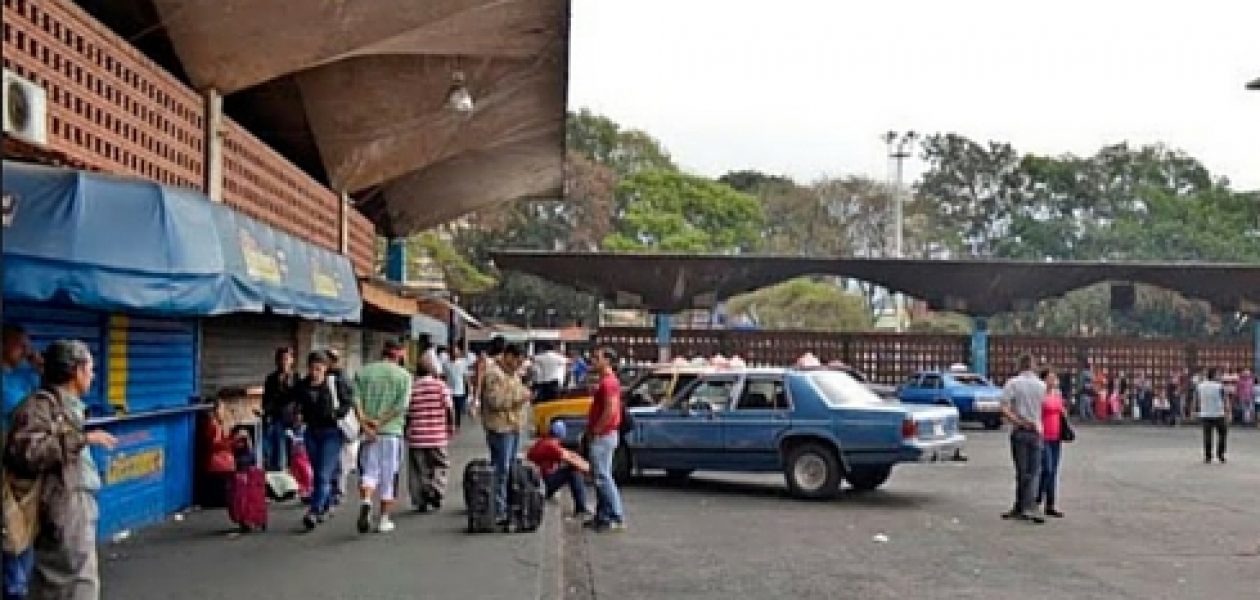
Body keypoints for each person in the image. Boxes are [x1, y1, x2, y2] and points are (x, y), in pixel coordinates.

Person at [5, 340, 118, 600]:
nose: (92, 374)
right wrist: (82, 439)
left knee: (77, 580)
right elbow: (27, 453)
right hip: (61, 507)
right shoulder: (39, 407)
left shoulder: (66, 406)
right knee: (69, 583)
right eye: (90, 368)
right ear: (76, 371)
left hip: (75, 504)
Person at [353, 341, 413, 534]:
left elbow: (356, 401)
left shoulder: (363, 372)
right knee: (389, 477)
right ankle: (384, 519)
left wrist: (365, 424)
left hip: (368, 434)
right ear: (399, 355)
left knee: (369, 473)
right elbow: (401, 406)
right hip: (392, 432)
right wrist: (380, 422)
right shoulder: (404, 376)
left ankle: (366, 500)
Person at [292, 352, 353, 531]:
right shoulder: (303, 385)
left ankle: (314, 511)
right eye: (312, 368)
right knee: (317, 470)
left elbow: (348, 401)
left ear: (326, 369)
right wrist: (296, 415)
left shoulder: (334, 383)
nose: (315, 372)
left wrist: (336, 414)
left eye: (319, 369)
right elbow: (293, 401)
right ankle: (326, 504)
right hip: (311, 432)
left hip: (331, 433)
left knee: (323, 474)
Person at [2, 324, 42, 600]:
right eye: (19, 346)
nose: (24, 351)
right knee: (11, 528)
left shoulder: (24, 375)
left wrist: (37, 364)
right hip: (6, 462)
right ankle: (15, 589)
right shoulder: (5, 381)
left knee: (26, 527)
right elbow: (23, 408)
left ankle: (19, 586)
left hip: (24, 463)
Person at [480, 343, 532, 529]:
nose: (519, 364)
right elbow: (495, 401)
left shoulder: (513, 374)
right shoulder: (494, 374)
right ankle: (499, 509)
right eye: (517, 359)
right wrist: (522, 396)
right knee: (501, 470)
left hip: (512, 427)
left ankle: (504, 505)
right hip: (500, 428)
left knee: (508, 469)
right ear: (508, 356)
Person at [1000, 353, 1046, 525]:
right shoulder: (1041, 386)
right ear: (1033, 366)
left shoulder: (1013, 383)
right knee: (1034, 471)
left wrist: (1018, 420)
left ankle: (1022, 505)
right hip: (1036, 430)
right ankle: (1028, 505)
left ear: (1019, 365)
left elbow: (1004, 408)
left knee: (1021, 471)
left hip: (1020, 429)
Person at [586, 347, 627, 532]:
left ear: (608, 361)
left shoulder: (609, 383)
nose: (593, 361)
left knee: (603, 477)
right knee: (600, 476)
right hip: (605, 434)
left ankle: (615, 515)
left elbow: (611, 410)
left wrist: (597, 429)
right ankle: (603, 515)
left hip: (604, 435)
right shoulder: (606, 382)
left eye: (597, 358)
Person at [405, 358, 454, 513]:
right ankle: (435, 489)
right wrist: (451, 425)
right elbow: (449, 408)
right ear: (432, 371)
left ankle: (421, 499)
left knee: (419, 470)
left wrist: (407, 428)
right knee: (441, 465)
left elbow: (406, 411)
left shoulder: (412, 388)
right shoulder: (440, 386)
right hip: (438, 435)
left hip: (417, 436)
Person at [526, 420, 590, 518]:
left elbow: (570, 454)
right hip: (542, 484)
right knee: (573, 472)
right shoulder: (551, 446)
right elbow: (570, 460)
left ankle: (581, 507)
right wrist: (590, 470)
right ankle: (581, 508)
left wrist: (583, 462)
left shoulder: (544, 442)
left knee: (570, 469)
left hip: (537, 482)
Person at [324, 349, 356, 508]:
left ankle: (337, 490)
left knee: (340, 458)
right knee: (338, 458)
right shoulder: (336, 376)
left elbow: (347, 401)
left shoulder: (340, 378)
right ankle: (334, 490)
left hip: (338, 423)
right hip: (335, 422)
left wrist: (336, 415)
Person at [261, 347, 297, 472]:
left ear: (292, 360)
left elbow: (298, 399)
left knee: (291, 454)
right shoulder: (271, 378)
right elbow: (266, 400)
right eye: (281, 359)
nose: (284, 362)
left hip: (291, 421)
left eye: (287, 359)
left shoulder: (296, 378)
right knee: (273, 454)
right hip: (275, 420)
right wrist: (265, 413)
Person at [1037, 369, 1067, 519]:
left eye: (1054, 378)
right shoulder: (1040, 395)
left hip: (1056, 436)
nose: (1053, 380)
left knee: (1054, 471)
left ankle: (1050, 504)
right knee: (1046, 469)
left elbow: (1062, 411)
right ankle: (1037, 497)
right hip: (1044, 435)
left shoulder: (1058, 394)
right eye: (1050, 378)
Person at [1194, 367, 1228, 464]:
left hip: (1205, 413)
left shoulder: (1200, 386)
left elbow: (1196, 399)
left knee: (1207, 436)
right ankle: (1220, 454)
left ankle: (1208, 456)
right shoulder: (1219, 386)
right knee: (1222, 434)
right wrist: (1228, 411)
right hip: (1218, 413)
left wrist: (1194, 410)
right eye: (1218, 374)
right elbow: (1224, 399)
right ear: (1214, 375)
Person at [445, 346, 471, 430]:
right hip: (449, 390)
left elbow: (466, 376)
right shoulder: (446, 364)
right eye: (452, 352)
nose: (454, 353)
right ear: (449, 353)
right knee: (449, 408)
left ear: (458, 353)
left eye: (456, 352)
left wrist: (470, 388)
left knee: (458, 409)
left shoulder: (463, 363)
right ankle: (450, 424)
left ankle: (457, 425)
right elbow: (444, 377)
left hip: (460, 390)